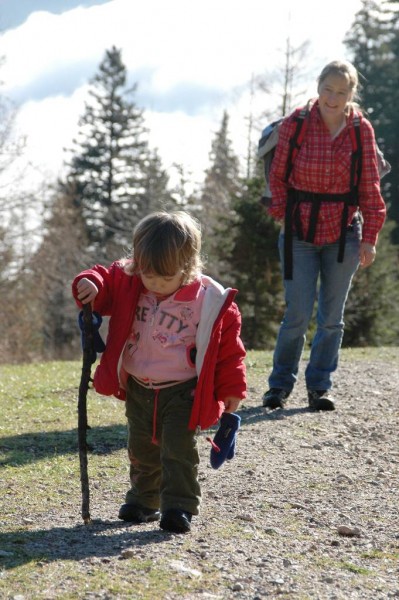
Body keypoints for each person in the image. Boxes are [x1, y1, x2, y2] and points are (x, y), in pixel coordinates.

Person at [72, 211, 246, 533]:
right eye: (148, 276)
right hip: (139, 386)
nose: (154, 285)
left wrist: (232, 387)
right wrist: (91, 283)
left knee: (177, 450)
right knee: (141, 448)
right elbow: (104, 280)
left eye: (165, 279)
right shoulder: (131, 283)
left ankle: (179, 505)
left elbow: (228, 350)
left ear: (188, 266)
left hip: (183, 390)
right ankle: (144, 500)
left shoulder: (208, 300)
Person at [262, 60, 386, 412]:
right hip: (298, 232)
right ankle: (279, 387)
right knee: (297, 315)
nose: (333, 98)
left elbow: (370, 187)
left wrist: (370, 237)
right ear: (318, 88)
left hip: (344, 233)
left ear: (351, 94)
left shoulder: (362, 129)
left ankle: (319, 387)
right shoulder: (296, 124)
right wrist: (283, 216)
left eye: (341, 92)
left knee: (332, 318)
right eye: (328, 89)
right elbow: (278, 179)